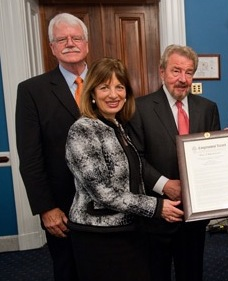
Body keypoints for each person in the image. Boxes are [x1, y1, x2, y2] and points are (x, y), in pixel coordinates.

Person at [65, 57, 184, 281]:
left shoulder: (117, 126)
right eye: (104, 87)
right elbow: (102, 192)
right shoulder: (83, 130)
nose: (113, 94)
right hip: (99, 234)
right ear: (91, 92)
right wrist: (157, 206)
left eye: (119, 87)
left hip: (128, 229)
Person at [127, 44, 221, 281]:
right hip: (157, 212)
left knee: (191, 273)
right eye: (176, 71)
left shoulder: (207, 108)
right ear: (161, 72)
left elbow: (214, 157)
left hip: (194, 215)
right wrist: (164, 185)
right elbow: (135, 157)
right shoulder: (140, 108)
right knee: (155, 273)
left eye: (189, 72)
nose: (182, 79)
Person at [15, 13, 89, 281]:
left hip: (112, 205)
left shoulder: (108, 84)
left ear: (86, 43)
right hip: (63, 207)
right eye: (62, 39)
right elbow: (30, 156)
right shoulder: (32, 91)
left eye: (76, 37)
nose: (70, 43)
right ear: (52, 47)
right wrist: (46, 208)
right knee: (68, 270)